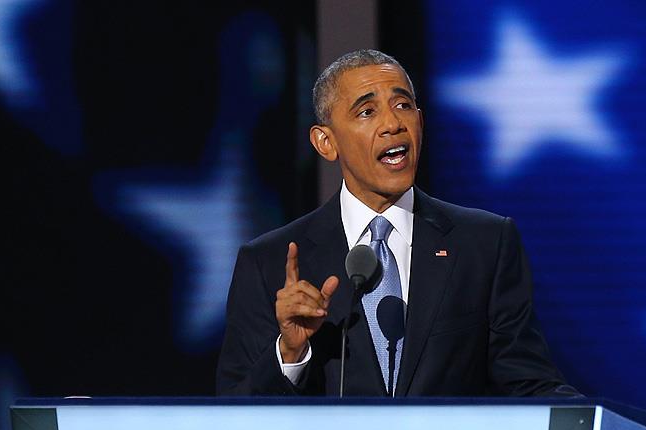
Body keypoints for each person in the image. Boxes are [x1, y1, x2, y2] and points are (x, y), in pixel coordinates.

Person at [216, 49, 578, 397]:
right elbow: (234, 413)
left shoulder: (485, 243)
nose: (393, 124)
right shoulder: (267, 263)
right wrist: (289, 354)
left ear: (420, 121)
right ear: (326, 142)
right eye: (367, 111)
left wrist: (593, 422)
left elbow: (529, 383)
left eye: (403, 105)